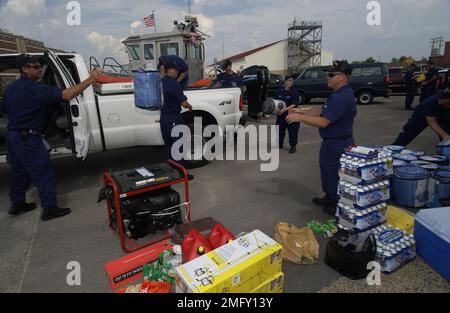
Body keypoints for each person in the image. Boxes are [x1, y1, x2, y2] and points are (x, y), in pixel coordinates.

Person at [1, 54, 103, 221]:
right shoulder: (36, 89)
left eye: (39, 66)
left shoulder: (11, 88)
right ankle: (50, 208)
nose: (39, 69)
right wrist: (90, 79)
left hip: (13, 136)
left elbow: (5, 109)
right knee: (43, 173)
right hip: (28, 138)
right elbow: (67, 95)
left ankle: (17, 204)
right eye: (35, 66)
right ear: (24, 70)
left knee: (19, 172)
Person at [286, 60, 357, 215]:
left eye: (331, 74)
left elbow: (324, 121)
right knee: (326, 171)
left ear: (342, 77)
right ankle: (329, 196)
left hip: (338, 143)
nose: (327, 77)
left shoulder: (342, 96)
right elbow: (322, 110)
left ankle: (336, 202)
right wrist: (302, 111)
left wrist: (300, 118)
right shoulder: (337, 95)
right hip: (331, 142)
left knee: (334, 172)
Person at [159, 61, 194, 180]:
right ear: (170, 70)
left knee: (169, 145)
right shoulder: (174, 84)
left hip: (163, 118)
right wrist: (190, 106)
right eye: (176, 70)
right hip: (174, 118)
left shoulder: (160, 82)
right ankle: (181, 173)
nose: (178, 72)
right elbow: (183, 103)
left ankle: (171, 171)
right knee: (179, 145)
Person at [275, 75, 300, 154]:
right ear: (285, 82)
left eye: (292, 81)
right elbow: (276, 102)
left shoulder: (294, 91)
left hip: (291, 115)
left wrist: (285, 109)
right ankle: (279, 144)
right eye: (289, 81)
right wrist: (276, 111)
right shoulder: (279, 90)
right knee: (279, 131)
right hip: (281, 115)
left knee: (293, 132)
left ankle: (293, 146)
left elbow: (295, 103)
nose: (291, 82)